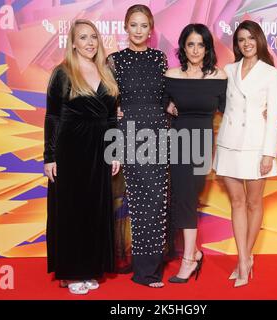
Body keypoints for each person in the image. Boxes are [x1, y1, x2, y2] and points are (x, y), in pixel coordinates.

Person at [44, 19, 120, 295]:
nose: (90, 42)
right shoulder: (62, 73)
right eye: (83, 37)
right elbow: (52, 117)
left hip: (99, 151)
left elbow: (112, 117)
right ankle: (71, 270)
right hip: (70, 150)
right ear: (73, 43)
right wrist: (49, 156)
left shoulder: (106, 71)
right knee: (71, 210)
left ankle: (89, 267)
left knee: (95, 208)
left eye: (94, 37)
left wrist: (115, 152)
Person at [213, 20, 277, 287]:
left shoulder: (270, 74)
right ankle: (244, 260)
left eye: (251, 38)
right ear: (237, 44)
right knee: (237, 203)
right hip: (229, 144)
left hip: (256, 148)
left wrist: (268, 154)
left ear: (259, 40)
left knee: (254, 203)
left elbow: (274, 117)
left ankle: (245, 257)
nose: (246, 44)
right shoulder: (228, 71)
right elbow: (215, 101)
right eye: (241, 39)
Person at [107, 4, 169, 288]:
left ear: (151, 29)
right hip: (129, 135)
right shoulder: (114, 61)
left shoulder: (160, 59)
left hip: (158, 135)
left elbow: (168, 96)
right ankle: (137, 268)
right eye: (134, 25)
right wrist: (113, 113)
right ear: (125, 27)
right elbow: (105, 100)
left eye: (144, 25)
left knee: (156, 203)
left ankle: (151, 270)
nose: (139, 30)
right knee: (137, 203)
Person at [164, 24, 227, 283]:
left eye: (201, 44)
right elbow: (160, 104)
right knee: (183, 198)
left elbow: (231, 112)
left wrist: (261, 113)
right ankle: (191, 257)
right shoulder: (171, 75)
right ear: (183, 47)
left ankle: (192, 256)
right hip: (178, 142)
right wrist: (167, 107)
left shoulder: (219, 77)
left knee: (189, 197)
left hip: (201, 145)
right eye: (191, 44)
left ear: (207, 48)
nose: (195, 50)